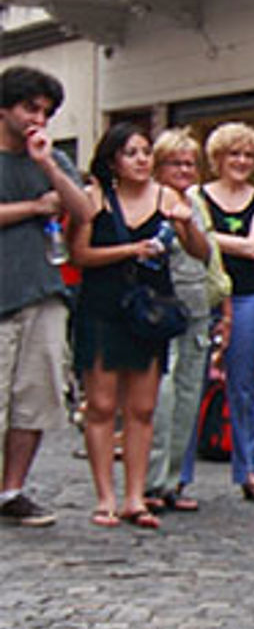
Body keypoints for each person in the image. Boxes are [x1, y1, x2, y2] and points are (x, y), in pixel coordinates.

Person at [72, 123, 208, 529]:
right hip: (104, 308)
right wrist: (130, 249)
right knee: (101, 405)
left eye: (146, 152)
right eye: (131, 153)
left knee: (143, 407)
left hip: (150, 311)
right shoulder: (94, 198)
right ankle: (105, 497)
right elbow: (80, 254)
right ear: (112, 159)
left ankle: (135, 496)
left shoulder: (167, 197)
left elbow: (201, 253)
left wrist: (186, 225)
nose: (141, 160)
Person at [0, 65, 93, 528]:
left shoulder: (51, 161)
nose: (37, 118)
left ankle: (12, 489)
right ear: (5, 109)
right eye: (28, 108)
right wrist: (33, 208)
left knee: (34, 396)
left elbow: (84, 210)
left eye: (45, 111)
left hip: (44, 291)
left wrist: (47, 166)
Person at [142, 128, 230, 513]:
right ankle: (149, 480)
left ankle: (173, 481)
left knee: (189, 393)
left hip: (197, 309)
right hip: (160, 311)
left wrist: (222, 310)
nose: (184, 170)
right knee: (162, 396)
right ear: (158, 167)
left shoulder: (194, 205)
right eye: (175, 163)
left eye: (189, 163)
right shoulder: (148, 202)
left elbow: (208, 257)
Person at [201, 122, 254, 503]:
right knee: (191, 384)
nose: (242, 161)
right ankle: (176, 475)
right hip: (202, 298)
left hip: (248, 296)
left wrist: (206, 238)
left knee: (244, 386)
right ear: (217, 158)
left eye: (249, 155)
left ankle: (249, 470)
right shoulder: (198, 196)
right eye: (234, 154)